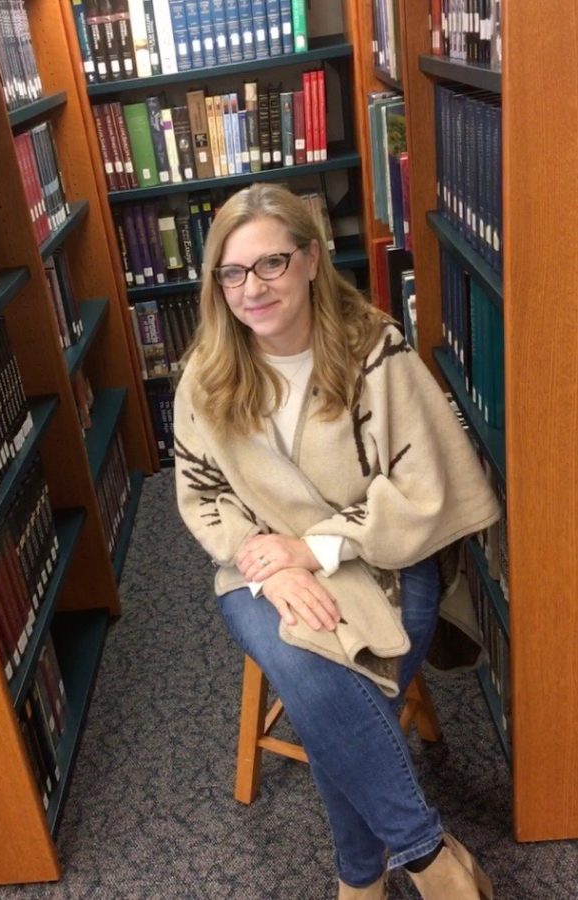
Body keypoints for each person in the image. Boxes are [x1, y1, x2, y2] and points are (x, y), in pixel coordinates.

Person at [173, 183, 499, 900]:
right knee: (320, 675)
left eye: (270, 264)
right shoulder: (204, 375)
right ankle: (427, 855)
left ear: (312, 260)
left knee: (329, 699)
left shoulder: (374, 352)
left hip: (382, 558)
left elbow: (424, 489)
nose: (250, 288)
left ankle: (358, 878)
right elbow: (202, 495)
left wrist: (315, 550)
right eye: (230, 272)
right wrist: (271, 567)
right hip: (257, 567)